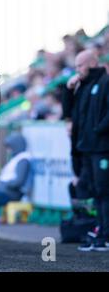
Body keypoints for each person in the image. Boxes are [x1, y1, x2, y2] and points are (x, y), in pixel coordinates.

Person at [70, 50, 109, 252]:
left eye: (79, 66)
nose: (77, 70)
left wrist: (97, 131)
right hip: (86, 148)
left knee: (104, 190)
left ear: (92, 64)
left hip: (101, 148)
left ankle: (105, 234)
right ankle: (100, 230)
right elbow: (71, 113)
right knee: (94, 191)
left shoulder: (105, 82)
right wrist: (70, 90)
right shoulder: (84, 86)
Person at [0, 132, 32, 208]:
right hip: (3, 191)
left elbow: (18, 181)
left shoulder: (23, 160)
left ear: (16, 146)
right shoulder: (16, 158)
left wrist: (4, 185)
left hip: (11, 194)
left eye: (10, 147)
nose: (8, 150)